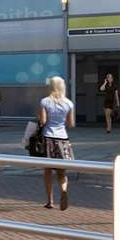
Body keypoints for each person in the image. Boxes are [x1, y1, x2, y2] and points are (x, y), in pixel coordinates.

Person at [37, 75, 76, 210]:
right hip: (63, 139)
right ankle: (64, 190)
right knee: (61, 172)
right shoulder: (69, 103)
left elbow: (43, 121)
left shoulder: (45, 102)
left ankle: (50, 200)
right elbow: (71, 124)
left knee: (48, 171)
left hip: (48, 138)